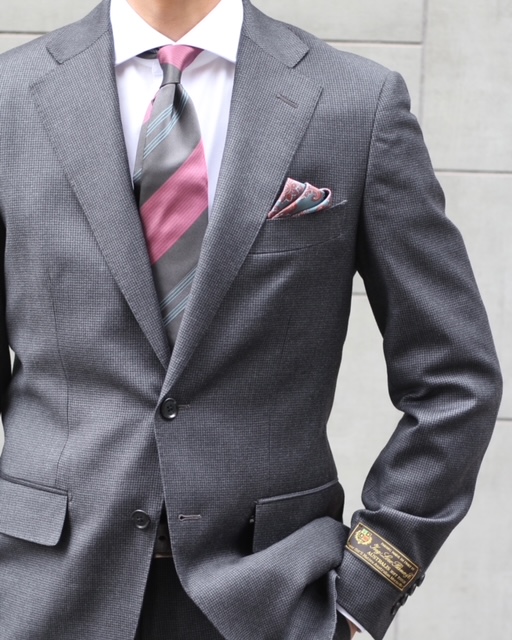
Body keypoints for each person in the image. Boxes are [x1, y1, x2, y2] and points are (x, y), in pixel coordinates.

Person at [0, 0, 502, 638]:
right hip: (40, 595)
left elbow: (456, 378)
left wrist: (365, 592)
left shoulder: (356, 102)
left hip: (273, 599)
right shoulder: (10, 98)